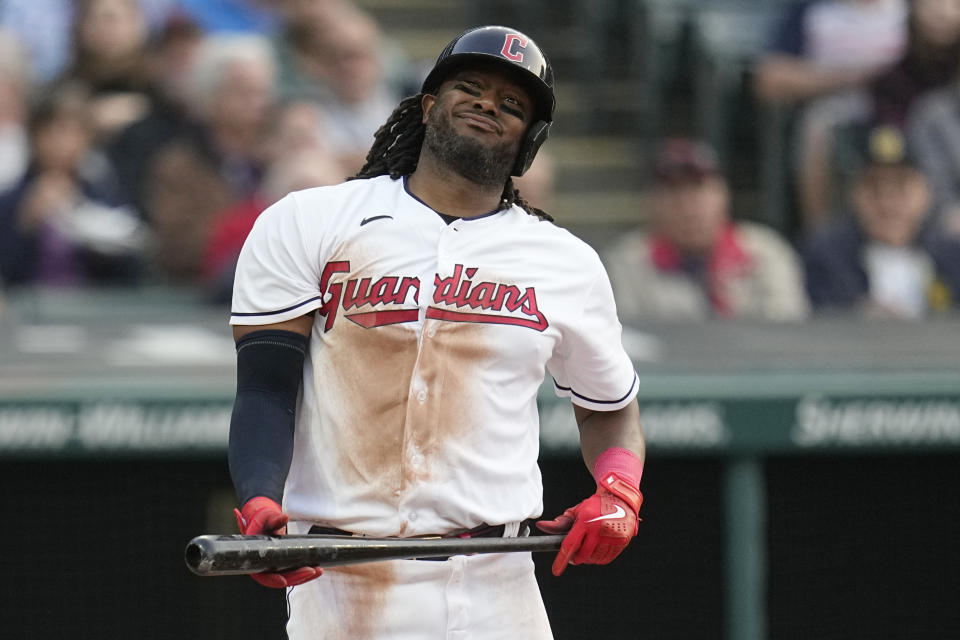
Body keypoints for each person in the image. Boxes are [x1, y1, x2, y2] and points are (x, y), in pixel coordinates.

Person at [227, 25, 645, 639]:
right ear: (427, 106)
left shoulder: (565, 261)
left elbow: (610, 407)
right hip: (346, 582)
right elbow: (265, 387)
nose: (487, 104)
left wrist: (619, 491)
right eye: (470, 87)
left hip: (498, 584)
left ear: (529, 142)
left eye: (512, 104)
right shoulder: (311, 220)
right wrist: (260, 497)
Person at [604, 137, 810, 322]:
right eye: (674, 193)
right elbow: (627, 340)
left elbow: (788, 327)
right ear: (652, 203)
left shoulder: (766, 251)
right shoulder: (626, 263)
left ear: (723, 195)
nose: (687, 205)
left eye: (698, 190)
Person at [753, 0, 908, 229]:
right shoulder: (814, 9)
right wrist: (853, 79)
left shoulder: (911, 9)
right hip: (834, 111)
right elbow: (768, 79)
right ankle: (822, 235)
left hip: (902, 110)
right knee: (818, 127)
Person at [802, 124, 960, 316]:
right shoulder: (828, 254)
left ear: (925, 193)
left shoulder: (951, 255)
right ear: (854, 194)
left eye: (901, 187)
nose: (887, 203)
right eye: (873, 187)